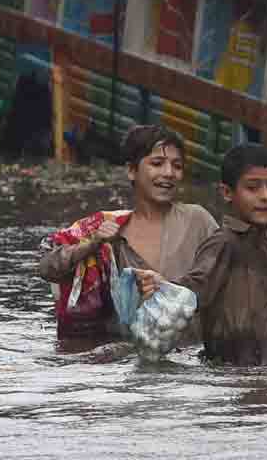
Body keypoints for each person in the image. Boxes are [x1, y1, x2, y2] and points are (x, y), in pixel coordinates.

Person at [37, 125, 217, 338]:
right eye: (157, 163)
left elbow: (225, 278)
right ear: (131, 171)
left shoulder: (197, 220)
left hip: (190, 351)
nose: (169, 173)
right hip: (128, 353)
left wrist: (169, 288)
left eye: (177, 166)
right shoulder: (106, 229)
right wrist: (92, 244)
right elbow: (48, 269)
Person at [135, 143, 267, 366]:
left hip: (263, 369)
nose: (266, 196)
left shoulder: (266, 244)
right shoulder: (223, 243)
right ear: (227, 193)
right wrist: (163, 286)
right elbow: (192, 291)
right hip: (229, 375)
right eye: (253, 188)